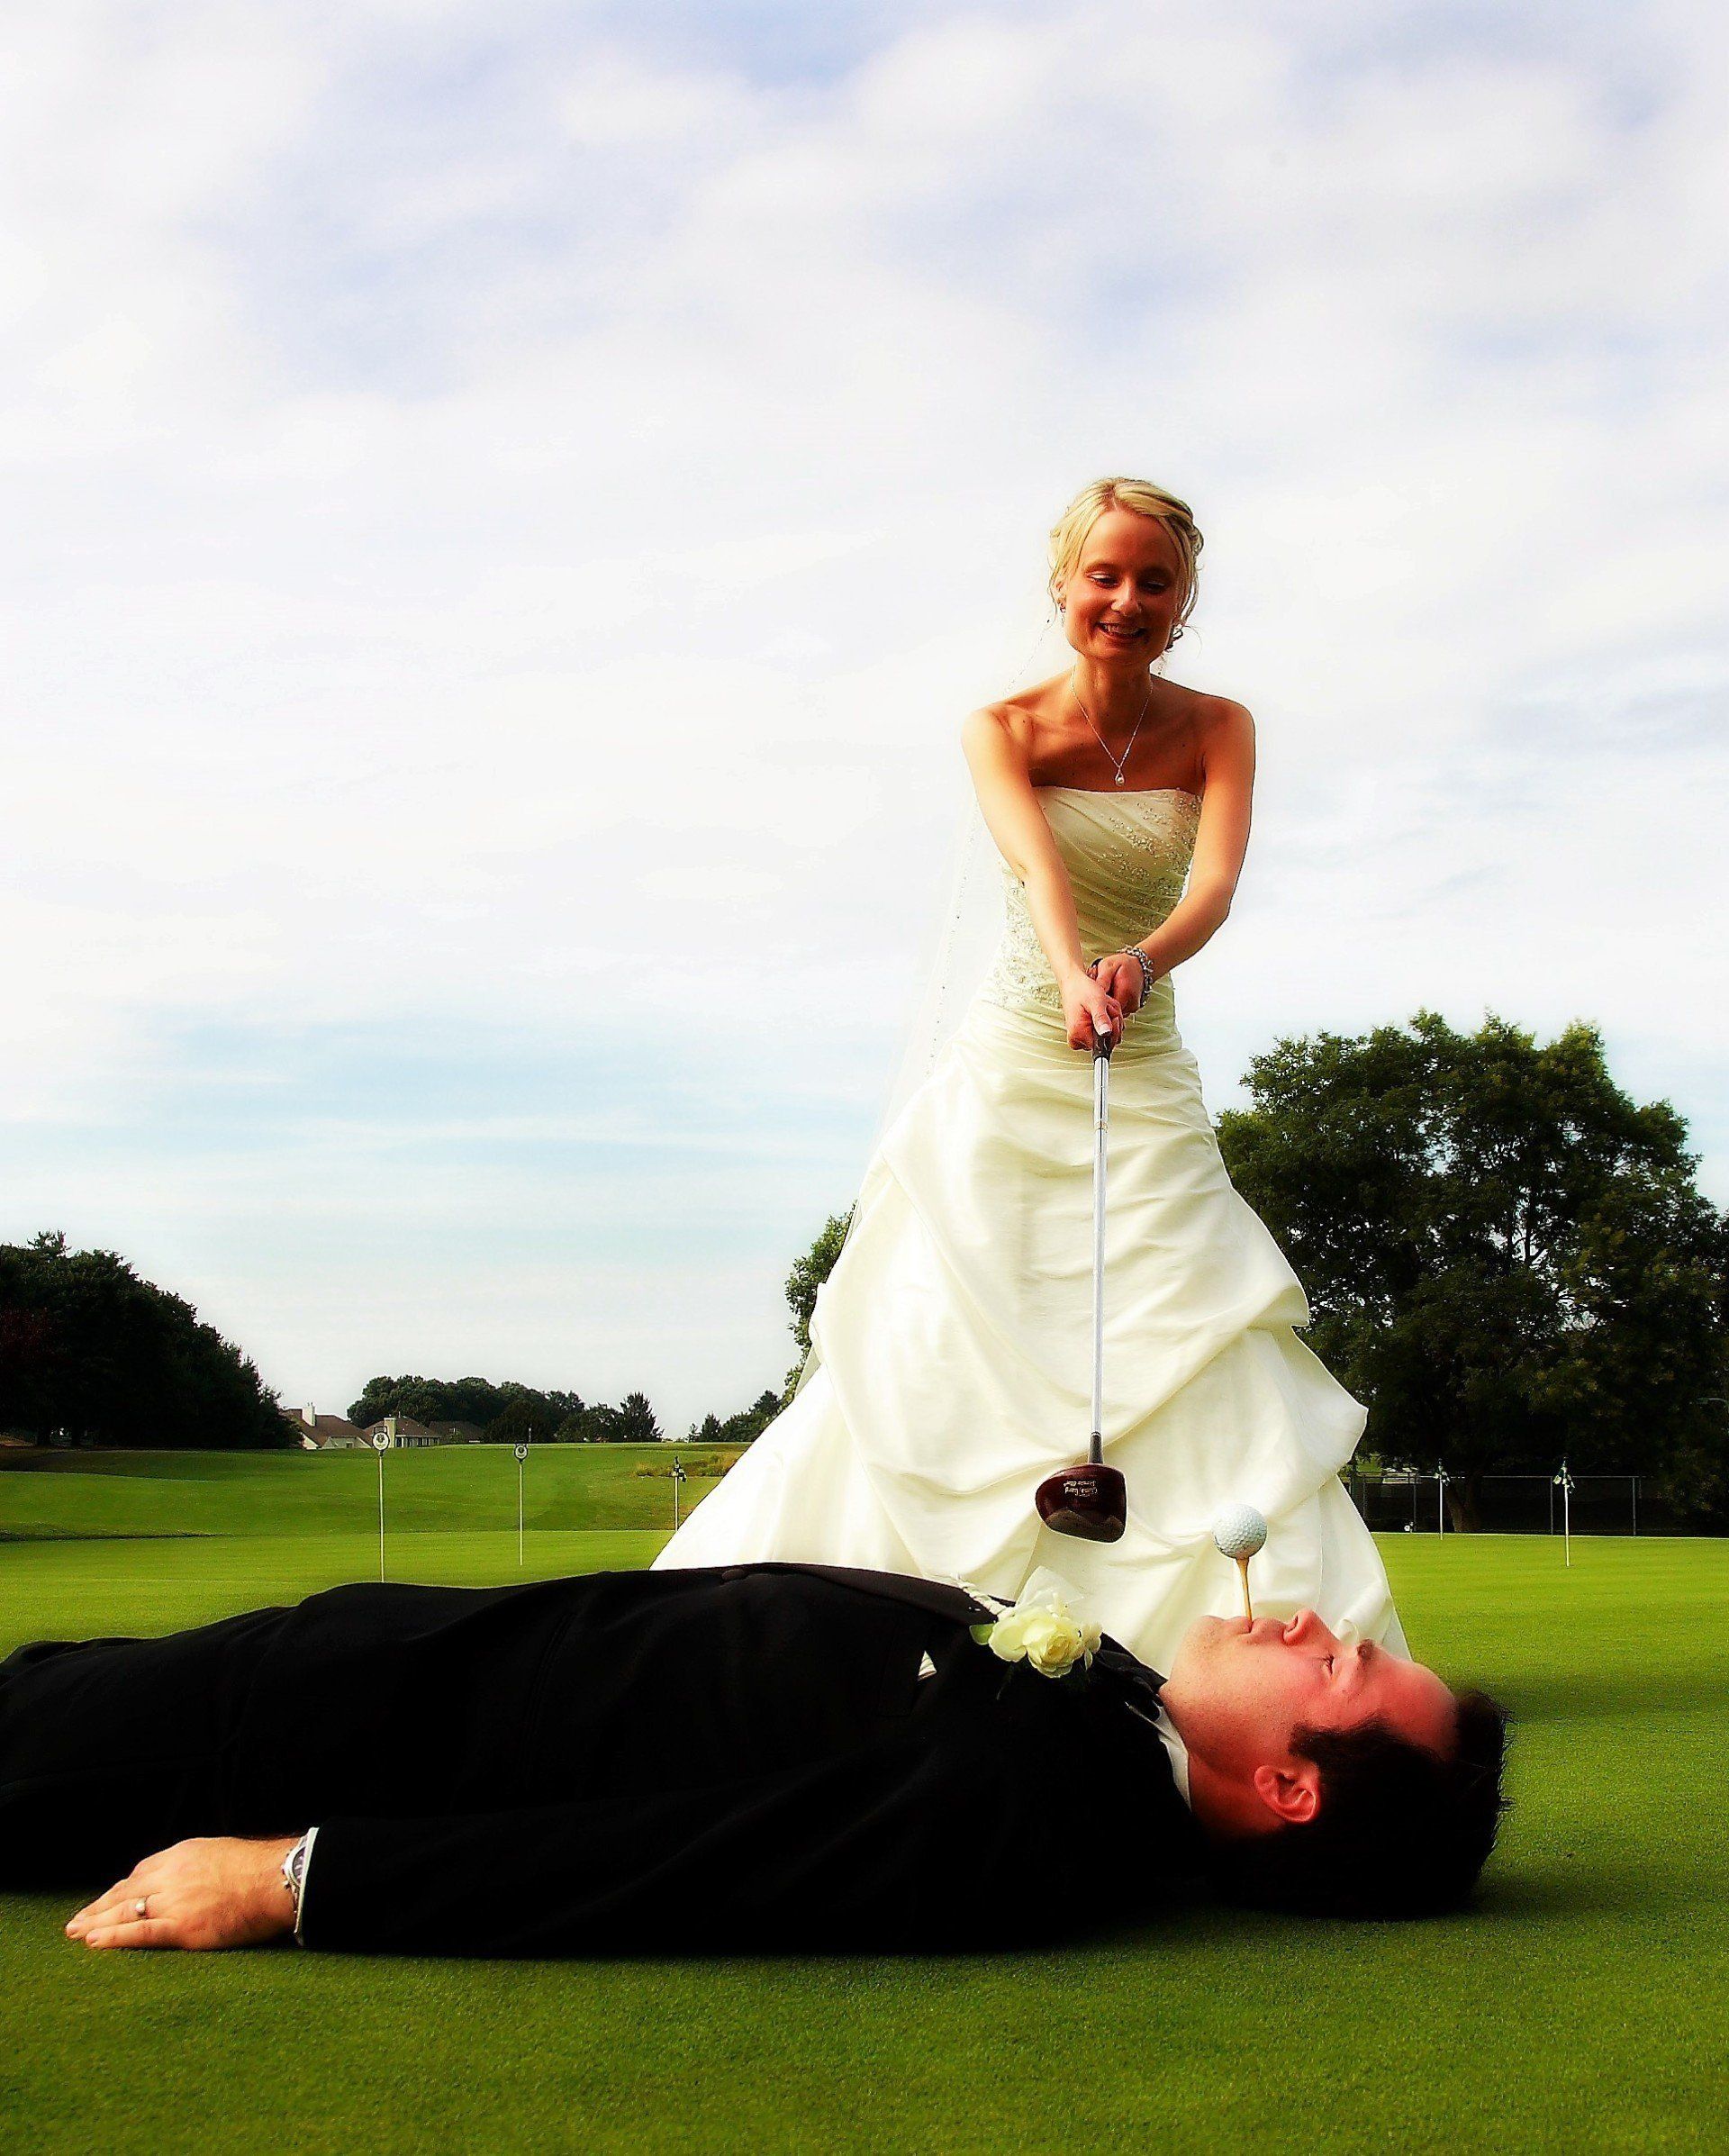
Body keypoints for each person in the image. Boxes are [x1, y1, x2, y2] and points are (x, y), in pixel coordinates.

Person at [652, 476, 1408, 1678]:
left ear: (1183, 598)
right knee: (943, 1323)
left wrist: (1139, 965)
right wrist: (1071, 973)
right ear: (1062, 585)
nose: (1126, 599)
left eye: (1154, 580)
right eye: (1103, 575)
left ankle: (1237, 1667)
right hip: (1022, 1050)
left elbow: (1209, 884)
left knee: (1197, 1322)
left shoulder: (1221, 726)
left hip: (1142, 1059)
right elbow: (1040, 869)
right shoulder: (999, 728)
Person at [2, 1561, 1508, 1956]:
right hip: (370, 1660)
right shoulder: (1113, 1717)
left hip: (322, 1745)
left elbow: (691, 1870)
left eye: (1339, 1662)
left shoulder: (1037, 1817)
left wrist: (295, 1877)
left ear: (1294, 1785)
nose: (1315, 1619)